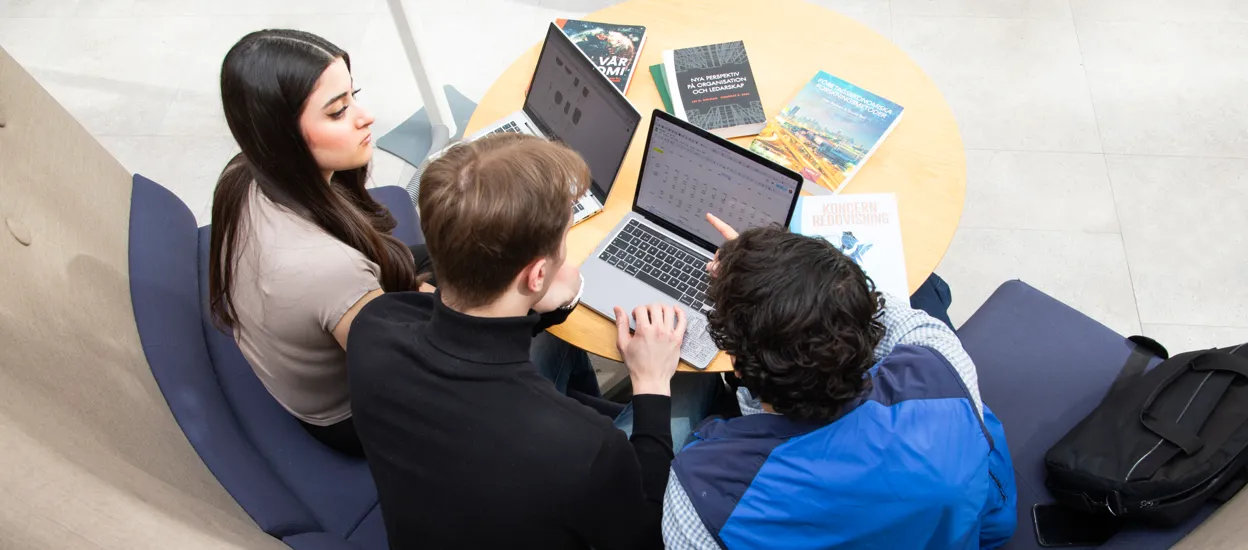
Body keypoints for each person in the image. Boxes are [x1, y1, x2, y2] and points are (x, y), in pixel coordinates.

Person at [206, 29, 598, 457]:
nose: (365, 116)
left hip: (349, 314)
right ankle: (574, 427)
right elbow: (428, 371)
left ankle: (577, 403)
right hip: (354, 415)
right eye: (338, 112)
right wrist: (543, 303)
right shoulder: (324, 270)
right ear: (282, 135)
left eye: (353, 96)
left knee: (498, 254)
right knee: (543, 308)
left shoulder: (245, 173)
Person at [346, 134, 721, 549]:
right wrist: (651, 383)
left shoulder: (375, 325)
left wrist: (548, 307)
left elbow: (468, 332)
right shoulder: (587, 447)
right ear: (537, 275)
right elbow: (647, 533)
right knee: (693, 378)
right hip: (566, 480)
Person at [662, 217, 1018, 550]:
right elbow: (886, 312)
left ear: (738, 367)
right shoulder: (944, 368)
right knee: (930, 288)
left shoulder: (699, 492)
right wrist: (792, 280)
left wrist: (758, 281)